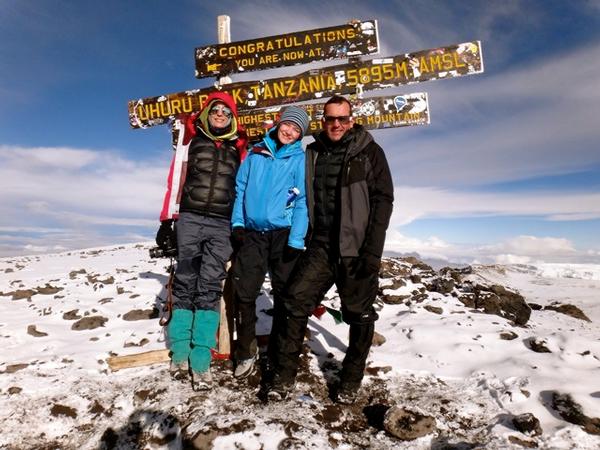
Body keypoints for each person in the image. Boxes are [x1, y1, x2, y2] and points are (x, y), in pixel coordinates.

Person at [266, 95, 394, 404]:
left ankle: (350, 380)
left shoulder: (369, 152)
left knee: (359, 314)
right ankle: (283, 379)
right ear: (322, 121)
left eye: (342, 119)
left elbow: (383, 200)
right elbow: (284, 169)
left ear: (351, 120)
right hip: (321, 244)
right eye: (330, 119)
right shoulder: (312, 152)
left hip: (356, 247)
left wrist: (372, 252)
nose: (336, 124)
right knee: (295, 301)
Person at [155, 91, 247, 391]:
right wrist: (167, 219)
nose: (221, 115)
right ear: (208, 113)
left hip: (222, 224)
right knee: (185, 280)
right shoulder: (191, 141)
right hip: (190, 219)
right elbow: (176, 179)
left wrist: (240, 224)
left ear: (232, 117)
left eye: (226, 112)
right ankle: (180, 351)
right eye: (216, 110)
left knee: (210, 285)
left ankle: (201, 358)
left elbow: (244, 187)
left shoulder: (239, 148)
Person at [230, 106, 310, 379]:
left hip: (283, 235)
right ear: (279, 123)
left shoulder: (300, 159)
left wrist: (296, 238)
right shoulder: (255, 154)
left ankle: (279, 352)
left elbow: (301, 201)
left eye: (297, 129)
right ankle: (246, 350)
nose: (290, 131)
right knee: (245, 294)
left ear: (301, 135)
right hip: (252, 233)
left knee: (285, 296)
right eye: (288, 125)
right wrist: (238, 224)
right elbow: (240, 188)